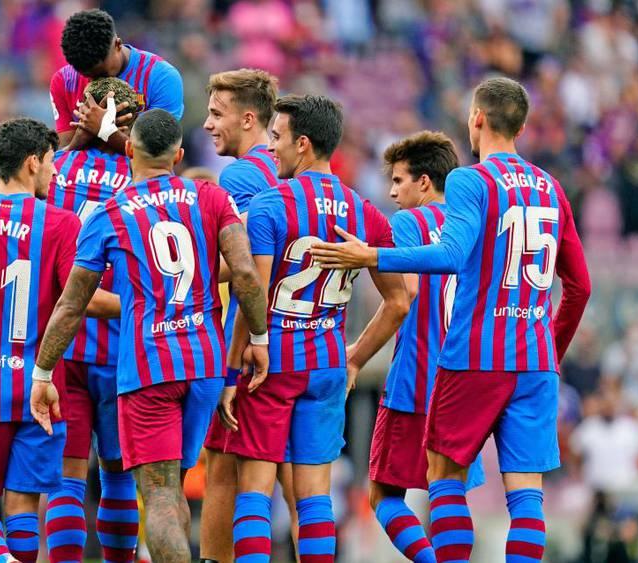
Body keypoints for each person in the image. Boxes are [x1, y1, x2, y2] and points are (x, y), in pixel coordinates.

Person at [309, 76, 592, 562]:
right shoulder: (551, 187)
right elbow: (580, 286)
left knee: (444, 481)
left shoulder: (469, 181)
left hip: (474, 358)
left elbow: (451, 254)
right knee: (526, 497)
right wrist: (550, 350)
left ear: (476, 119)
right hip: (535, 361)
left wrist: (371, 256)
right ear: (522, 127)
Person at [30, 108, 270, 563]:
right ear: (178, 156)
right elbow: (244, 272)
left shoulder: (111, 213)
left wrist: (43, 371)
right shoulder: (212, 197)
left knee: (157, 494)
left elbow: (73, 303)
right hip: (204, 367)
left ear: (129, 151)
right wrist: (259, 339)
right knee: (173, 487)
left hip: (149, 369)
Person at [224, 94, 408, 563]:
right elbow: (399, 301)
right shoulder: (364, 211)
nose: (271, 147)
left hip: (271, 364)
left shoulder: (269, 205)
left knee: (255, 490)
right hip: (326, 363)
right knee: (314, 499)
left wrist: (232, 369)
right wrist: (354, 358)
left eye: (277, 137)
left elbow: (252, 291)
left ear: (302, 143)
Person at [0, 117, 119, 563]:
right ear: (32, 162)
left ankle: (0, 559)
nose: (54, 172)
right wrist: (139, 306)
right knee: (22, 505)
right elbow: (81, 300)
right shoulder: (60, 223)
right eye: (51, 162)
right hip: (39, 384)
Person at [364, 131, 484, 563]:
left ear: (425, 182)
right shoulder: (474, 225)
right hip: (466, 382)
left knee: (383, 494)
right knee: (449, 491)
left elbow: (405, 295)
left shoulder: (406, 224)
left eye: (399, 181)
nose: (393, 193)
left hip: (416, 378)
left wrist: (356, 355)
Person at [198, 68, 295, 563]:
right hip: (303, 335)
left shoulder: (239, 176)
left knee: (222, 468)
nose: (207, 124)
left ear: (249, 119)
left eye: (217, 114)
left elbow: (241, 265)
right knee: (299, 483)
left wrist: (176, 273)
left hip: (251, 342)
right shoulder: (287, 169)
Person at [44, 76, 140, 563]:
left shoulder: (55, 169)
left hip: (65, 344)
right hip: (124, 348)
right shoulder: (144, 178)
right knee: (118, 474)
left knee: (67, 475)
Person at [50, 8, 183, 150]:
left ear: (118, 44)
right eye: (86, 75)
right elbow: (62, 155)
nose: (95, 82)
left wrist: (106, 131)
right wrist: (82, 135)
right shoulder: (64, 80)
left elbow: (157, 153)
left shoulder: (162, 78)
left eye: (103, 74)